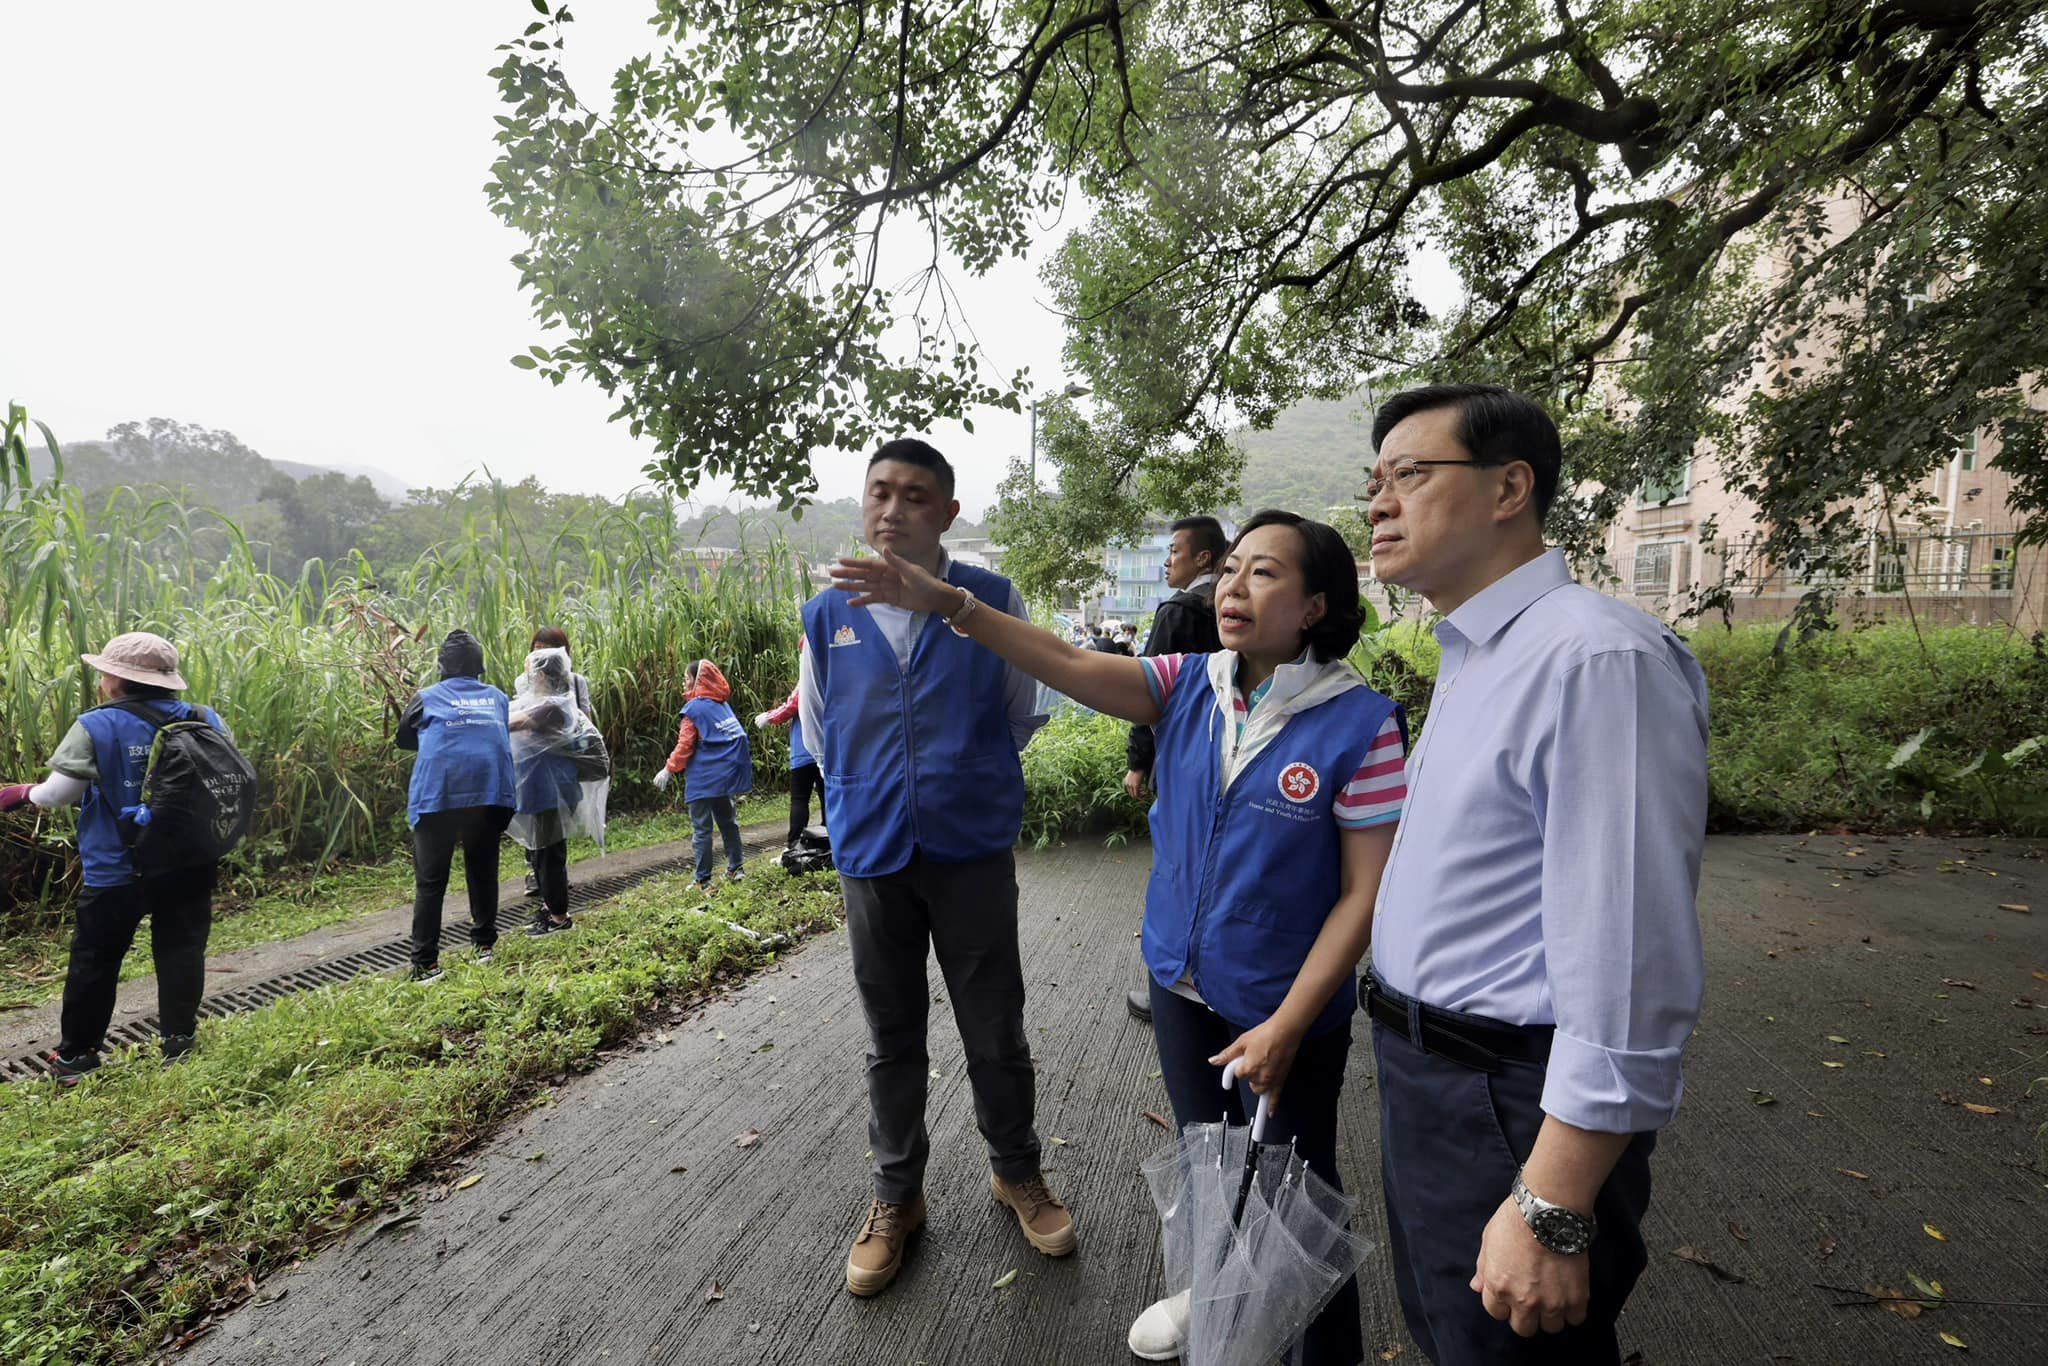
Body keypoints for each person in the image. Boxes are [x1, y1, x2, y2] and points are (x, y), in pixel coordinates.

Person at [831, 507, 1405, 1365]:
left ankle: (1321, 1353)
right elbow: (1063, 659)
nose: (1232, 587)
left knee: (1293, 1192)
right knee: (1208, 1165)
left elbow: (1364, 894)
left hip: (1283, 1011)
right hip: (1181, 988)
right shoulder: (1186, 685)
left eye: (1264, 573)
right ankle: (1216, 1305)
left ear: (1316, 606)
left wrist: (1288, 1025)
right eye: (1232, 568)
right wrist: (954, 603)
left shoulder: (1361, 725)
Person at [1360, 383, 1709, 1365]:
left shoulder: (1595, 659)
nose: (1379, 502)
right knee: (1450, 1333)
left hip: (1505, 1096)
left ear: (1509, 486)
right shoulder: (1475, 653)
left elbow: (1630, 959)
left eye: (1409, 475)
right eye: (1373, 483)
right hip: (1428, 1077)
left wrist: (1552, 1200)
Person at [801, 437, 1065, 1299]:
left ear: (947, 513)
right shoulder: (825, 614)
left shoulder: (988, 602)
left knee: (995, 1025)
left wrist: (958, 778)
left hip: (971, 849)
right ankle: (896, 1197)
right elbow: (819, 731)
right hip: (873, 855)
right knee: (891, 1035)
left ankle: (1015, 1170)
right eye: (880, 491)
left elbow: (1023, 713)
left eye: (916, 496)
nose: (893, 508)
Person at [0, 632, 231, 1082]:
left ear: (115, 681)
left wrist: (19, 793)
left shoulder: (96, 725)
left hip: (118, 867)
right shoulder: (205, 718)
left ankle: (78, 1058)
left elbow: (58, 795)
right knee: (182, 950)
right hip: (190, 860)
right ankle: (179, 1040)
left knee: (97, 960)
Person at [1121, 514, 1227, 1025]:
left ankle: (1167, 984)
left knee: (1175, 870)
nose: (1167, 561)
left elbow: (1148, 696)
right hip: (1233, 759)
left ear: (1203, 558)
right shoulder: (1227, 609)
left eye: (1175, 551)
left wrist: (1138, 762)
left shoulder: (1178, 612)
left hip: (1181, 759)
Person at [395, 629, 516, 984]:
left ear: (442, 666)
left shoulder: (425, 697)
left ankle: (426, 964)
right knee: (482, 871)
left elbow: (404, 739)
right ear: (479, 666)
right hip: (488, 795)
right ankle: (484, 947)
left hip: (439, 797)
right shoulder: (496, 697)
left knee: (431, 881)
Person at [508, 645, 611, 937]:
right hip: (541, 787)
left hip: (548, 789)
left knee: (548, 852)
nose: (528, 675)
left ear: (542, 673)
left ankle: (558, 917)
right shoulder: (547, 701)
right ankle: (550, 907)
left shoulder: (554, 705)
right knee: (540, 851)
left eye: (532, 670)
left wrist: (480, 719)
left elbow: (515, 723)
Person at [654, 659, 752, 890]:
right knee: (728, 823)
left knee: (702, 829)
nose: (684, 682)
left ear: (699, 681)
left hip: (702, 779)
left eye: (687, 678)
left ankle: (703, 880)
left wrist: (668, 769)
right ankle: (736, 869)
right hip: (723, 776)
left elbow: (685, 745)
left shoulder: (694, 710)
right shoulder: (721, 705)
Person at [521, 625, 595, 894]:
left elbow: (585, 720)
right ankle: (539, 875)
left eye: (546, 651)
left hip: (562, 762)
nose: (538, 658)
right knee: (537, 822)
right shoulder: (524, 681)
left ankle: (553, 892)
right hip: (533, 765)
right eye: (536, 651)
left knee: (553, 825)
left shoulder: (573, 684)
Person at [753, 658, 822, 853]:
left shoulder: (809, 676)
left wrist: (769, 717)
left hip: (805, 751)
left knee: (799, 799)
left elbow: (794, 704)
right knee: (827, 798)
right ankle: (830, 842)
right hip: (826, 750)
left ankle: (794, 846)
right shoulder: (831, 674)